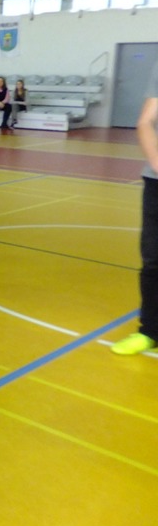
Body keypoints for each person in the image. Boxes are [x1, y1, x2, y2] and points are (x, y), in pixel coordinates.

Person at [111, 70, 158, 356]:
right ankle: (150, 331)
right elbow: (146, 121)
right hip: (156, 182)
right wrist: (157, 162)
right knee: (153, 260)